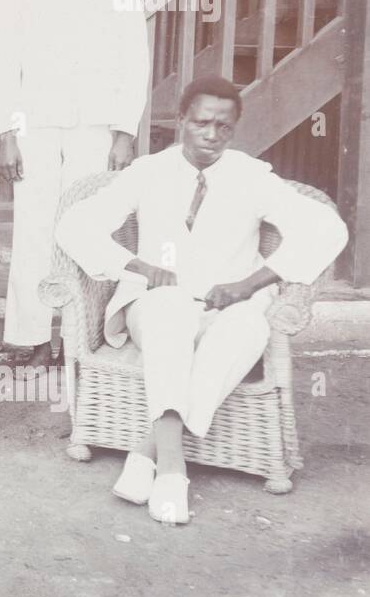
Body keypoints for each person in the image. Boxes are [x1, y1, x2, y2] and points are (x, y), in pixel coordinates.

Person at [55, 76, 347, 525]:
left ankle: (147, 452)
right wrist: (138, 268)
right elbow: (75, 225)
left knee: (251, 326)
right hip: (156, 303)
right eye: (201, 123)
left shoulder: (251, 177)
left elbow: (327, 228)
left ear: (234, 129)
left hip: (227, 305)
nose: (211, 136)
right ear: (181, 121)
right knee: (171, 312)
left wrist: (250, 284)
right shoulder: (149, 171)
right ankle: (173, 472)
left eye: (224, 127)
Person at [0, 0, 150, 368]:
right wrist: (7, 134)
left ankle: (83, 338)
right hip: (34, 124)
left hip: (95, 124)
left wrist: (125, 131)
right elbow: (4, 58)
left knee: (87, 227)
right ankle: (30, 337)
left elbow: (134, 55)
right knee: (33, 228)